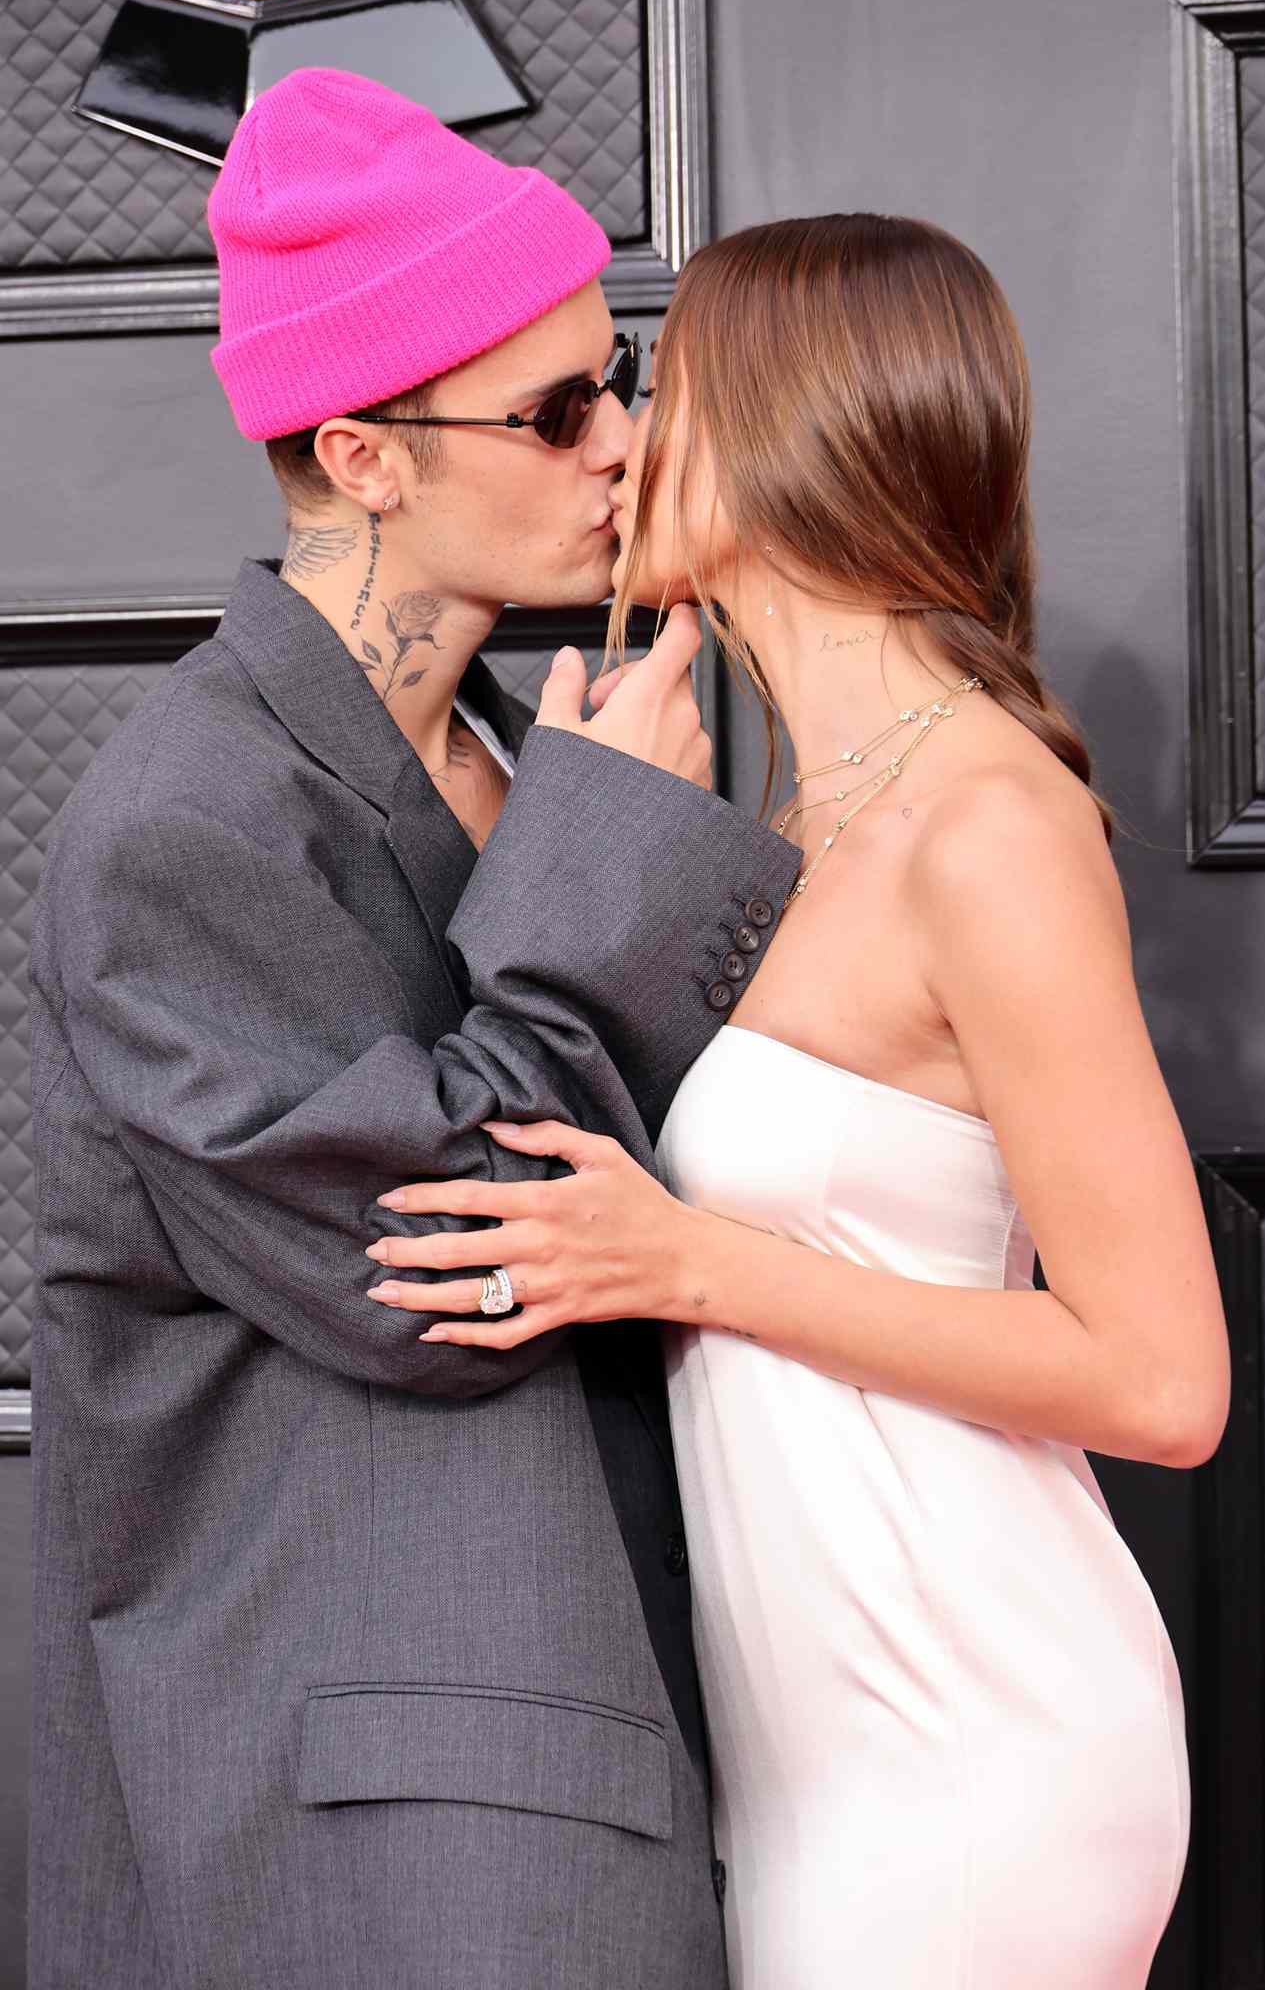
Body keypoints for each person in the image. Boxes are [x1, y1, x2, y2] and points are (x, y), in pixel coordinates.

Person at [380, 213, 1231, 1988]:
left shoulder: (987, 820)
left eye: (650, 391)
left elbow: (1163, 1383)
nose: (611, 444)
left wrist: (692, 1264)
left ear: (781, 429)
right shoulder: (786, 831)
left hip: (973, 1743)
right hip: (808, 1755)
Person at [26, 70, 803, 1990]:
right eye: (556, 412)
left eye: (609, 372)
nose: (626, 441)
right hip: (389, 1799)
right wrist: (621, 849)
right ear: (365, 453)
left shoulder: (511, 752)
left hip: (586, 1707)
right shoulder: (189, 819)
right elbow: (442, 1264)